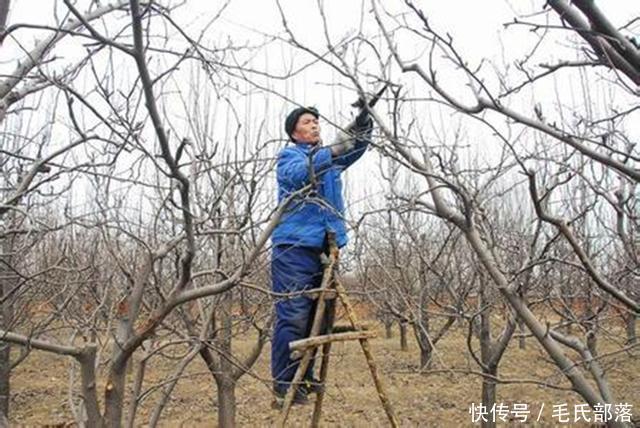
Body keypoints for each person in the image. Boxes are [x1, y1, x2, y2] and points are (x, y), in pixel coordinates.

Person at [270, 105, 373, 406]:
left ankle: (304, 374)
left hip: (326, 248)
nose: (315, 125)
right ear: (294, 132)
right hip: (294, 248)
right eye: (307, 122)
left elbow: (354, 150)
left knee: (320, 317)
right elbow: (300, 175)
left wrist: (363, 125)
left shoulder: (330, 160)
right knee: (293, 315)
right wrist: (333, 149)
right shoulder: (290, 157)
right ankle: (284, 382)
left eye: (317, 121)